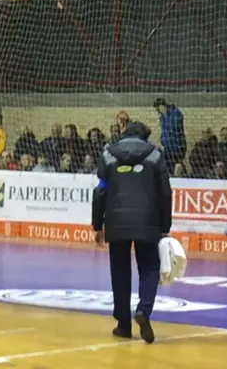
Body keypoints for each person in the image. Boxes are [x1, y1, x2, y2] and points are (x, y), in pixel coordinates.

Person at [91, 121, 172, 344]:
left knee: (119, 272)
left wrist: (97, 225)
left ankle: (123, 325)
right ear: (145, 137)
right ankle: (143, 311)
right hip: (148, 220)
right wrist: (165, 226)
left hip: (116, 221)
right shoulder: (155, 155)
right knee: (150, 267)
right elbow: (165, 192)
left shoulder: (108, 154)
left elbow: (100, 191)